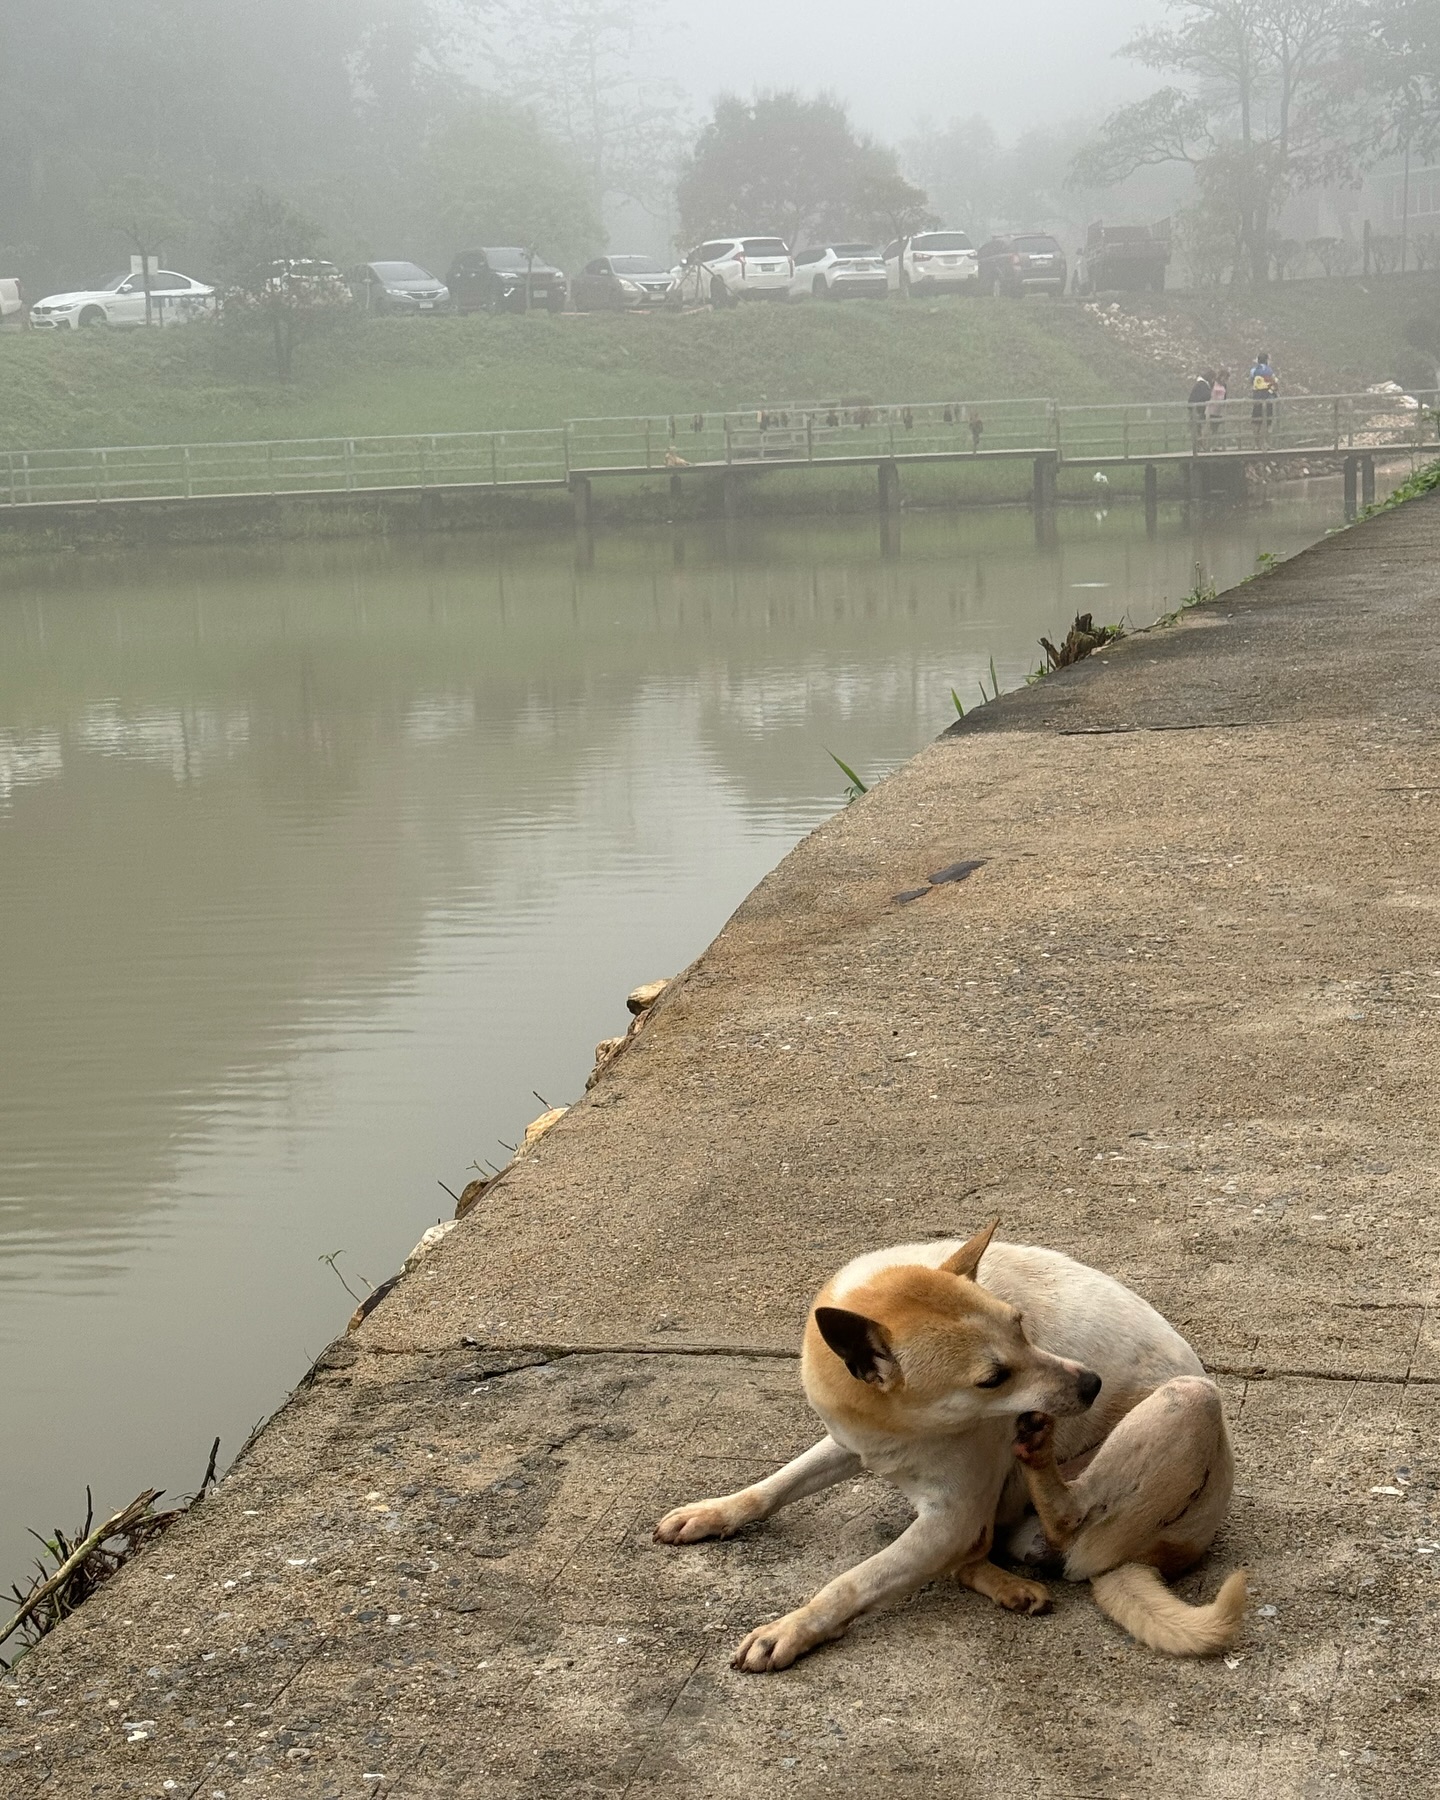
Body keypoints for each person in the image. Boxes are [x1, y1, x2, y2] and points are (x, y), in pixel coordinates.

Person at [1249, 352, 1279, 446]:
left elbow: (1251, 381)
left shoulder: (1253, 370)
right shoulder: (1270, 371)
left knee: (1256, 422)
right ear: (1267, 360)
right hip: (1268, 399)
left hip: (1257, 399)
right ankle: (1266, 443)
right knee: (1268, 421)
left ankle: (1256, 444)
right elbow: (1275, 383)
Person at [1189, 370, 1214, 446]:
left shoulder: (1200, 384)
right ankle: (1199, 446)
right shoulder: (1203, 385)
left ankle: (1199, 446)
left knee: (1197, 428)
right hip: (1197, 409)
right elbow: (1207, 396)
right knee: (1198, 427)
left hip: (1195, 409)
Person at [1207, 367, 1229, 441]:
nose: (1225, 380)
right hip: (1211, 408)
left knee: (1216, 427)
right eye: (1224, 378)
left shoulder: (1224, 385)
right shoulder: (1213, 383)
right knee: (1210, 426)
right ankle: (1207, 444)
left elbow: (1225, 396)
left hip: (1219, 409)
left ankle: (1214, 445)